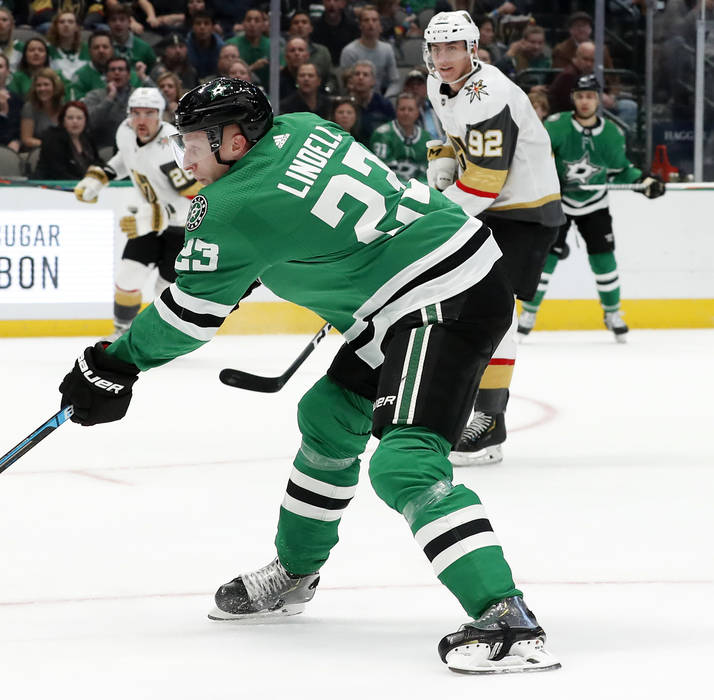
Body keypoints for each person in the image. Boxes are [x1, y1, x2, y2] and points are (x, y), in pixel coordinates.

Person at [57, 76, 560, 675]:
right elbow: (320, 219)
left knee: (404, 464)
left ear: (236, 142)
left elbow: (187, 320)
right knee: (327, 414)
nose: (181, 154)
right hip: (419, 284)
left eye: (193, 142)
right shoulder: (302, 126)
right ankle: (295, 573)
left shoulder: (230, 208)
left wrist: (116, 363)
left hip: (439, 300)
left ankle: (505, 615)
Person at [423, 11, 563, 466]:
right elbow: (454, 140)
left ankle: (490, 422)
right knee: (468, 306)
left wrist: (434, 216)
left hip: (524, 212)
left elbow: (485, 183)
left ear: (472, 49)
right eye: (436, 49)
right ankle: (473, 408)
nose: (443, 58)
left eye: (452, 48)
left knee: (495, 311)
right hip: (492, 207)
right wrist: (443, 162)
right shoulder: (437, 84)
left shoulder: (491, 95)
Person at [518, 74, 665, 342]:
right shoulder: (556, 126)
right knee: (545, 260)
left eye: (590, 96)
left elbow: (621, 170)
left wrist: (644, 181)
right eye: (580, 96)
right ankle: (529, 312)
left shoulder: (611, 133)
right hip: (558, 203)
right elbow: (537, 161)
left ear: (598, 99)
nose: (584, 101)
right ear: (573, 98)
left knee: (604, 260)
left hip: (595, 203)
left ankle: (612, 313)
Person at [73, 86, 199, 339]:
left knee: (166, 289)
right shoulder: (125, 131)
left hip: (181, 228)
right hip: (149, 219)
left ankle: (163, 336)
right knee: (128, 276)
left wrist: (161, 214)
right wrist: (100, 177)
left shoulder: (174, 146)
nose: (141, 120)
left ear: (161, 114)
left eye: (149, 113)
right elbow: (126, 157)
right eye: (136, 112)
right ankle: (123, 332)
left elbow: (197, 195)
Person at [82, 55, 146, 151]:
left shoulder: (140, 95)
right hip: (105, 150)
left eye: (121, 69)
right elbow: (89, 122)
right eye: (112, 70)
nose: (117, 72)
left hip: (138, 148)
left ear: (128, 75)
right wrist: (109, 99)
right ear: (106, 75)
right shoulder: (94, 96)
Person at [339, 4, 398, 96]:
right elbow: (347, 84)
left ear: (380, 25)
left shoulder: (387, 49)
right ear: (360, 25)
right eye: (366, 20)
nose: (371, 23)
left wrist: (384, 99)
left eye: (374, 20)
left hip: (379, 100)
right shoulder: (349, 51)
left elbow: (394, 82)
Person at [369, 92, 431, 181]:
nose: (406, 113)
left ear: (417, 112)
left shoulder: (426, 137)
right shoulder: (382, 134)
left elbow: (429, 169)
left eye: (410, 109)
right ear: (396, 110)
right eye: (402, 109)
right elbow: (381, 169)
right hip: (392, 187)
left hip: (420, 188)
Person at [34, 99, 101, 179]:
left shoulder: (88, 138)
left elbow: (98, 163)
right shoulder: (53, 138)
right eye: (70, 118)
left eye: (79, 118)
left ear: (85, 121)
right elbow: (58, 172)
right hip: (51, 186)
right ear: (63, 121)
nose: (75, 121)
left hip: (84, 184)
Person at [342, 60, 393, 143]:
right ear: (352, 79)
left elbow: (393, 132)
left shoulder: (384, 104)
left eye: (365, 75)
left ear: (373, 81)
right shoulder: (344, 104)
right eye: (357, 74)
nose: (360, 77)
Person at [288, 10, 334, 92]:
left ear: (311, 28)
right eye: (296, 23)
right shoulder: (282, 51)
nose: (300, 25)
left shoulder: (322, 52)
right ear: (290, 29)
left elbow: (330, 76)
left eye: (304, 22)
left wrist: (327, 90)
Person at [20, 67, 63, 151]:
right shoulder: (29, 107)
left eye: (46, 85)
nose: (42, 89)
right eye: (38, 85)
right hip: (37, 153)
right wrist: (51, 145)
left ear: (55, 87)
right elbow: (26, 139)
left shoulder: (64, 106)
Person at [226, 8, 271, 87]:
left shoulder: (272, 45)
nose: (252, 24)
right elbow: (226, 73)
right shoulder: (231, 45)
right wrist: (252, 67)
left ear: (264, 25)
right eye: (249, 20)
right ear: (243, 23)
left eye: (257, 20)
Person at [106, 4, 155, 75]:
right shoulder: (102, 47)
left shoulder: (145, 48)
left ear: (129, 22)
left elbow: (153, 71)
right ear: (108, 23)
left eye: (122, 19)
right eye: (113, 20)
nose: (118, 23)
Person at [46, 11, 88, 84]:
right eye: (62, 22)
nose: (66, 25)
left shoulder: (88, 49)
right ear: (56, 27)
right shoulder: (47, 49)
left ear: (76, 27)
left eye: (70, 22)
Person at [312, 0, 358, 64]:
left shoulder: (353, 27)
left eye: (336, 0)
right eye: (328, 0)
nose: (331, 3)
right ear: (323, 2)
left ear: (343, 3)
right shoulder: (314, 27)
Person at [185, 10, 222, 81]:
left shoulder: (221, 48)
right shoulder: (184, 47)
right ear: (192, 27)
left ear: (213, 27)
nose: (202, 27)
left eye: (206, 23)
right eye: (198, 23)